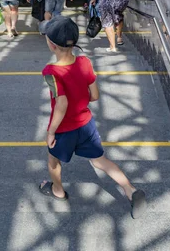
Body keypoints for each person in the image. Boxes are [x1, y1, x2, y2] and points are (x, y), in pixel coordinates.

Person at [38, 16, 147, 219]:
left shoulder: (51, 72)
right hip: (86, 124)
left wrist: (50, 131)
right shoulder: (84, 62)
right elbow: (95, 96)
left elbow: (62, 103)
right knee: (99, 160)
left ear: (51, 45)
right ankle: (130, 190)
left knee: (53, 161)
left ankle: (58, 191)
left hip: (64, 130)